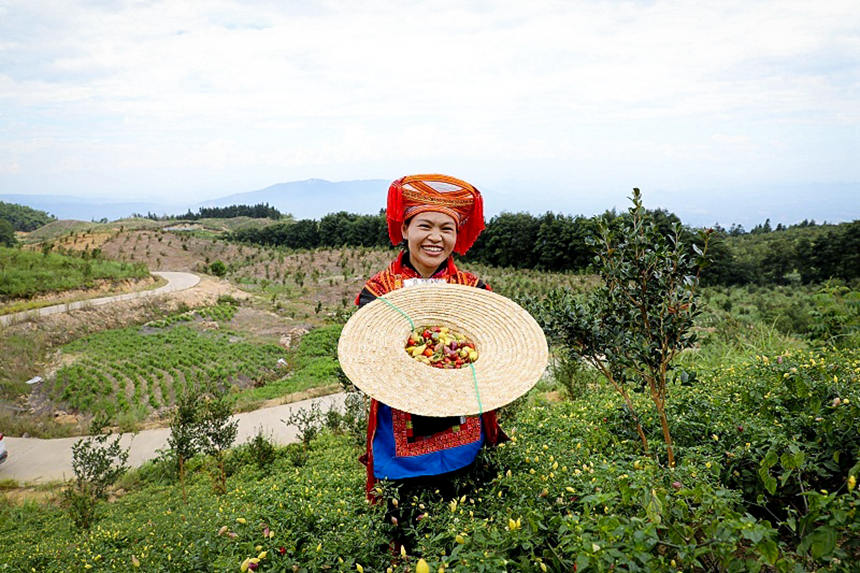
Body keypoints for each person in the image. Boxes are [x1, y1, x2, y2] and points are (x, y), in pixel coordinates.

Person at [354, 175, 507, 522]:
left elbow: (490, 348)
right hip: (399, 435)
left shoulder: (473, 288)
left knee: (463, 527)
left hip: (465, 427)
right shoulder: (379, 290)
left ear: (457, 237)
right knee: (405, 530)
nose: (436, 238)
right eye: (425, 225)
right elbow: (370, 353)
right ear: (405, 229)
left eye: (447, 229)